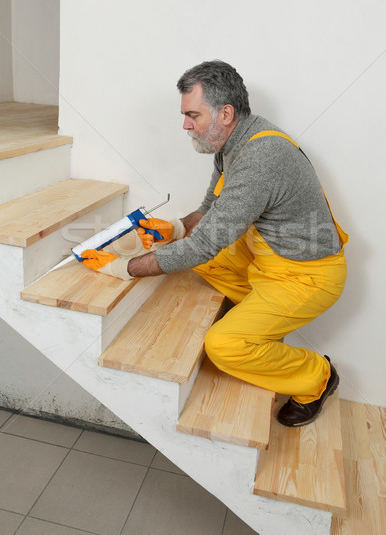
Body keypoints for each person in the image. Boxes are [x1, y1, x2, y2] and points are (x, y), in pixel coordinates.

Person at [82, 60, 348, 427]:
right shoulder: (232, 143)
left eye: (193, 114)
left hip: (306, 277)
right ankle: (255, 317)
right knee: (191, 249)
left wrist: (123, 268)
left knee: (222, 344)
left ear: (225, 113)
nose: (185, 125)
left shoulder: (261, 157)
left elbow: (203, 246)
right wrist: (175, 227)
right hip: (266, 259)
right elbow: (210, 209)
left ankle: (317, 377)